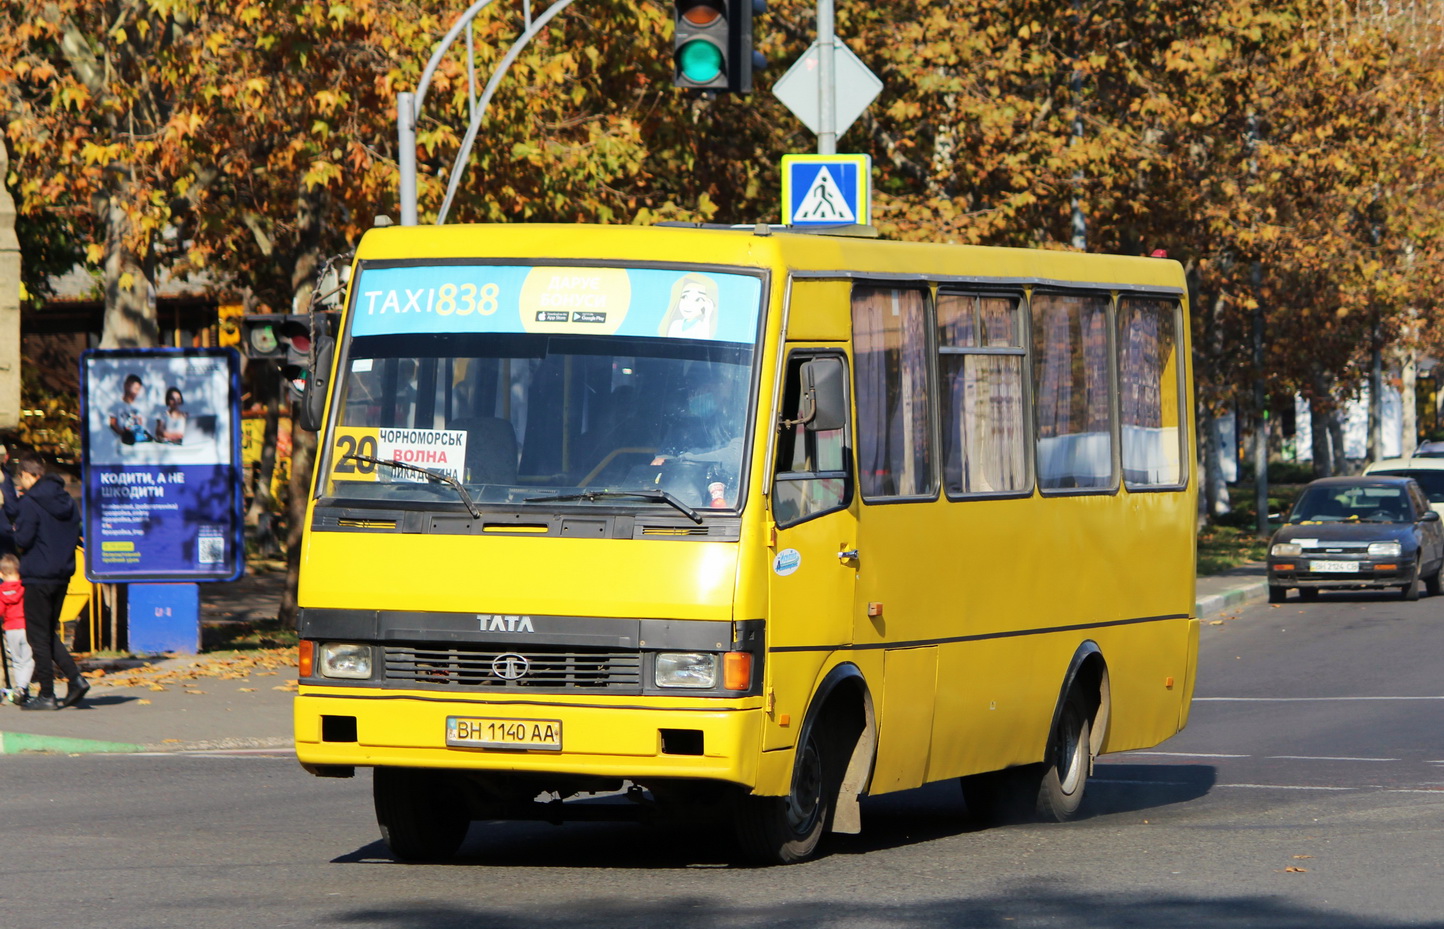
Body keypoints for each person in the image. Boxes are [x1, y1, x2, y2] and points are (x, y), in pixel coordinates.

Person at [9, 452, 87, 711]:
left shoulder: (30, 502)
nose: (21, 483)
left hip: (38, 575)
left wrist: (16, 531)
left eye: (22, 478)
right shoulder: (67, 500)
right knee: (47, 633)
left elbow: (23, 540)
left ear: (31, 475)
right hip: (63, 574)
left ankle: (47, 694)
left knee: (37, 636)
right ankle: (75, 680)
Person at [0, 553, 33, 706]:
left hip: (10, 629)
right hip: (25, 627)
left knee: (17, 660)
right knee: (29, 660)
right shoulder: (25, 587)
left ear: (1, 574)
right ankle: (22, 687)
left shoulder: (1, 591)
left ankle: (20, 687)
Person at [657, 273, 719, 339]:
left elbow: (704, 343)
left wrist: (707, 317)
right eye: (684, 297)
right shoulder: (675, 324)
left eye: (698, 299)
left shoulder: (702, 327)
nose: (688, 303)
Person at [108, 373, 152, 444]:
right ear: (126, 386)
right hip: (122, 445)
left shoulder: (141, 406)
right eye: (135, 388)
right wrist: (124, 434)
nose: (136, 392)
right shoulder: (116, 405)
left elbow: (143, 424)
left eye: (138, 389)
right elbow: (113, 424)